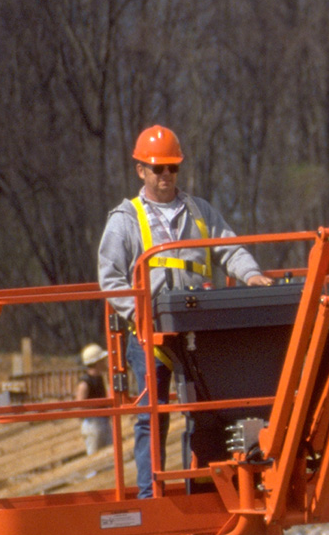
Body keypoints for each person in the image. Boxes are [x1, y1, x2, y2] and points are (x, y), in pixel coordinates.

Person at [97, 125, 272, 498]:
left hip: (196, 334)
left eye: (172, 169)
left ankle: (204, 492)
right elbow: (110, 278)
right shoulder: (125, 220)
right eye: (157, 169)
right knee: (151, 418)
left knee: (205, 414)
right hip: (150, 336)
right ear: (140, 170)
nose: (165, 176)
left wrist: (252, 275)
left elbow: (230, 249)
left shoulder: (199, 211)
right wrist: (136, 313)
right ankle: (150, 496)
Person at [74, 343, 112, 456]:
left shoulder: (100, 379)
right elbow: (80, 406)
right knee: (94, 457)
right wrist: (99, 407)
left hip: (103, 421)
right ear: (97, 362)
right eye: (102, 360)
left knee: (108, 456)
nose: (105, 363)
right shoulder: (85, 383)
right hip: (92, 423)